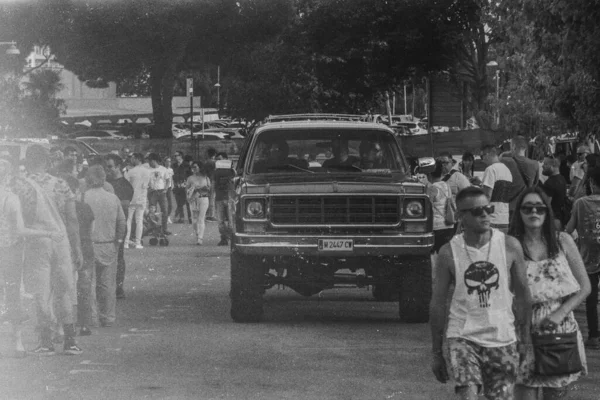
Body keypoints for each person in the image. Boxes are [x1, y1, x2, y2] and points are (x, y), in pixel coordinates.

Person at [430, 186, 532, 400]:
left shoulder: (509, 246)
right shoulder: (448, 252)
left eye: (488, 208)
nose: (485, 214)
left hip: (503, 337)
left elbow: (523, 296)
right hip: (463, 337)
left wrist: (524, 339)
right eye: (477, 211)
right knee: (468, 395)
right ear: (460, 216)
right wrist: (437, 353)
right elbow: (438, 303)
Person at [509, 187, 590, 399]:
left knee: (555, 393)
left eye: (539, 208)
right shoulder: (511, 245)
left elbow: (585, 286)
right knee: (524, 392)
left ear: (547, 212)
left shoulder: (562, 240)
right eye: (527, 208)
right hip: (520, 327)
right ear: (519, 212)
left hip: (558, 327)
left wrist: (560, 313)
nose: (534, 212)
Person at [15, 147, 83, 355]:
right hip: (61, 239)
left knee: (41, 291)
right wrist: (77, 248)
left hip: (37, 240)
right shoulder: (61, 184)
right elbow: (72, 219)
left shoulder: (20, 185)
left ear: (27, 162)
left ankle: (46, 342)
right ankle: (70, 341)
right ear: (47, 162)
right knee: (63, 292)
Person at [0, 158, 63, 357]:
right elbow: (20, 230)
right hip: (10, 252)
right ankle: (17, 342)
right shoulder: (10, 199)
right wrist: (48, 234)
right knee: (13, 295)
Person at [84, 165, 126, 328]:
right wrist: (119, 240)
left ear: (88, 179)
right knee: (107, 284)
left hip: (88, 244)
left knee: (88, 283)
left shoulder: (82, 197)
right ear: (103, 179)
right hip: (109, 244)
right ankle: (107, 317)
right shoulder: (112, 198)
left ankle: (91, 317)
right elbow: (121, 222)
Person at [566, 167, 600, 350]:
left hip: (588, 257)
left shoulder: (581, 203)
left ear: (592, 184)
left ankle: (594, 336)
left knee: (591, 297)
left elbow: (569, 229)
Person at [63, 175, 95, 336]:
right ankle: (84, 324)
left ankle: (64, 323)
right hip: (85, 248)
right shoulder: (85, 207)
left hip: (66, 249)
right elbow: (90, 231)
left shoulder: (59, 208)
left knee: (62, 288)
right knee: (84, 287)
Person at [104, 154, 133, 299]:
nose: (107, 170)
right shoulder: (104, 182)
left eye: (110, 167)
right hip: (104, 224)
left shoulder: (125, 185)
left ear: (118, 167)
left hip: (117, 225)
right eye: (106, 167)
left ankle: (119, 286)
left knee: (119, 256)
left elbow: (125, 207)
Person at [481, 144, 514, 233]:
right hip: (504, 220)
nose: (482, 159)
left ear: (491, 153)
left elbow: (487, 195)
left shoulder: (490, 169)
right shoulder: (507, 170)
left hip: (492, 221)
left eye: (483, 155)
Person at [427, 160, 455, 253]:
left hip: (437, 227)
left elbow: (428, 208)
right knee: (445, 253)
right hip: (449, 225)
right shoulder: (446, 185)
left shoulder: (432, 188)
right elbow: (451, 204)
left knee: (434, 254)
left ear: (429, 174)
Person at [125, 152, 151, 249]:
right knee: (139, 220)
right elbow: (149, 184)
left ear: (137, 159)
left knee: (128, 220)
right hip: (142, 198)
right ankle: (138, 242)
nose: (131, 159)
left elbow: (126, 184)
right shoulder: (147, 171)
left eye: (133, 158)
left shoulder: (130, 171)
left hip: (131, 198)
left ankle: (126, 242)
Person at [539, 156, 567, 230]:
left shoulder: (550, 183)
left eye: (545, 164)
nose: (542, 166)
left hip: (552, 220)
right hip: (560, 218)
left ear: (553, 166)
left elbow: (545, 204)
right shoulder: (562, 178)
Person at [186, 161, 211, 245]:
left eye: (195, 167)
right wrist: (191, 192)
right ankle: (197, 232)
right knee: (194, 220)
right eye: (192, 167)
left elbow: (209, 189)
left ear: (200, 167)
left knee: (201, 218)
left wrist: (203, 189)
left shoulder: (206, 177)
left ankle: (200, 238)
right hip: (193, 199)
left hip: (204, 198)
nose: (194, 169)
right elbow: (187, 189)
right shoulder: (190, 178)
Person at [147, 153, 171, 235]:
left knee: (164, 210)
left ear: (154, 160)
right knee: (152, 211)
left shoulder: (163, 169)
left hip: (161, 192)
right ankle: (153, 229)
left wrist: (166, 189)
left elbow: (168, 180)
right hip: (152, 192)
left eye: (150, 161)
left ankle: (165, 228)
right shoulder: (147, 169)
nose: (149, 163)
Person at [214, 152, 234, 246]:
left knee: (230, 220)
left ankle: (229, 237)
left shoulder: (232, 171)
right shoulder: (216, 172)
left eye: (220, 158)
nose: (218, 160)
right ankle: (225, 237)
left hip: (228, 197)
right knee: (221, 221)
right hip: (220, 197)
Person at [172, 151, 191, 224]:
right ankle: (181, 217)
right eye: (175, 156)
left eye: (177, 155)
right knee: (179, 202)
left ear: (181, 156)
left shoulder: (186, 165)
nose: (175, 157)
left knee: (187, 202)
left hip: (185, 186)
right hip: (177, 186)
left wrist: (187, 183)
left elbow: (190, 175)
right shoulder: (174, 165)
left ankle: (190, 217)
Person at [205, 148, 218, 222]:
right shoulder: (214, 163)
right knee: (212, 198)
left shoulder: (206, 162)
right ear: (214, 155)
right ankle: (211, 215)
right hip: (213, 180)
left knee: (208, 197)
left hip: (207, 180)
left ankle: (208, 214)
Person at [163, 156, 174, 224]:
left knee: (170, 204)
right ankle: (164, 218)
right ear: (164, 162)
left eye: (169, 161)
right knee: (164, 204)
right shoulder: (162, 169)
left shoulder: (171, 170)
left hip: (169, 188)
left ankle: (168, 217)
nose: (168, 163)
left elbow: (171, 178)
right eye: (167, 161)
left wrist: (172, 184)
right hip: (163, 188)